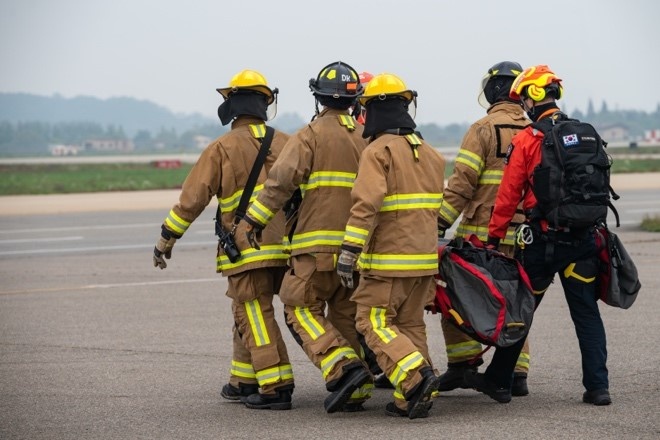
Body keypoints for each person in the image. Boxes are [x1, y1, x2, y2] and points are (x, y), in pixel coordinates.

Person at [152, 69, 295, 410]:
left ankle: (275, 386)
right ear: (265, 103)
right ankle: (243, 380)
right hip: (289, 247)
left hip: (247, 249)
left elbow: (192, 200)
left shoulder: (222, 148)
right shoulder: (288, 143)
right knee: (244, 311)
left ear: (232, 104)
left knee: (255, 315)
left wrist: (165, 240)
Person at [241, 61, 373, 413]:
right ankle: (356, 394)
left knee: (299, 308)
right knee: (345, 316)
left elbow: (280, 184)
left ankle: (343, 368)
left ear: (318, 98)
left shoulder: (309, 136)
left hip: (314, 249)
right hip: (356, 250)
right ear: (355, 99)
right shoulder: (367, 139)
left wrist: (253, 222)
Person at [478, 64, 612, 406]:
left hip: (544, 241)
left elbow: (509, 194)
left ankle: (500, 382)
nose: (522, 104)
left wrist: (494, 238)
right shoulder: (585, 132)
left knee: (521, 310)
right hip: (583, 240)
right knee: (586, 314)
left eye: (524, 96)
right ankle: (598, 388)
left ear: (533, 96)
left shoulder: (529, 138)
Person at [337, 73, 446, 419]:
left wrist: (349, 251)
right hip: (425, 261)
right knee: (411, 325)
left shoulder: (377, 151)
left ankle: (414, 378)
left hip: (387, 262)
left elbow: (365, 206)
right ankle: (414, 397)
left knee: (371, 321)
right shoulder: (430, 153)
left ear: (373, 109)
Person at [436, 61, 532, 396]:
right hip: (523, 238)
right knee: (515, 303)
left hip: (481, 236)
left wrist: (440, 222)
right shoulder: (534, 131)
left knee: (455, 298)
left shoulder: (482, 129)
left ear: (491, 91)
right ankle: (515, 373)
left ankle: (462, 366)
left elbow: (462, 183)